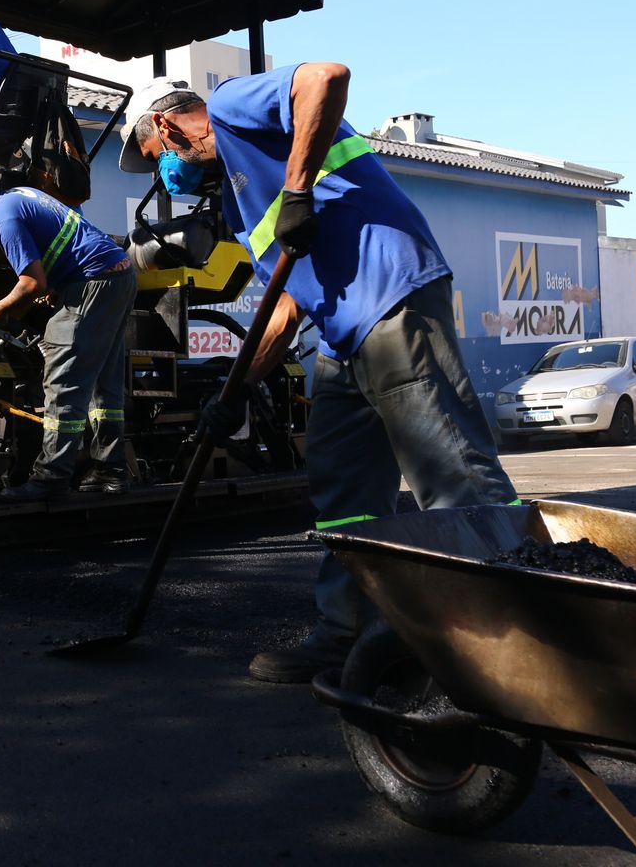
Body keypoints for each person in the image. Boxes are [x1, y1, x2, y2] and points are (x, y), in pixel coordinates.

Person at [119, 68, 518, 684]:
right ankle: (346, 632)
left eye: (156, 158)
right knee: (343, 496)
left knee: (450, 471)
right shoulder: (239, 196)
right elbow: (283, 308)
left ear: (167, 126)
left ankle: (522, 642)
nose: (165, 174)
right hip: (339, 332)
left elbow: (326, 78)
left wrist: (300, 189)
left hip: (388, 296)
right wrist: (237, 388)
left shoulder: (228, 107)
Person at [0, 160, 135, 502]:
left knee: (62, 379)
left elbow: (30, 283)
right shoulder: (22, 195)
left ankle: (51, 478)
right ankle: (111, 470)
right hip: (118, 274)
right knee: (104, 384)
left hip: (93, 280)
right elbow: (64, 243)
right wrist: (58, 283)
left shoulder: (4, 218)